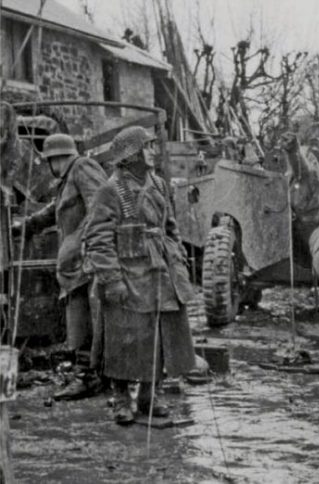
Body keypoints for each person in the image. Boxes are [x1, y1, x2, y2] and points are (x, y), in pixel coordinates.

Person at [83, 126, 196, 425]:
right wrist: (111, 278)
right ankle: (121, 398)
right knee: (124, 337)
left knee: (160, 334)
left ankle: (150, 394)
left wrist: (178, 257)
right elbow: (98, 238)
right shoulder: (111, 189)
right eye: (147, 147)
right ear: (130, 154)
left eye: (153, 146)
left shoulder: (159, 184)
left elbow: (171, 226)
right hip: (127, 273)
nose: (153, 152)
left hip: (161, 270)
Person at [16, 133, 108, 400]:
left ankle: (88, 377)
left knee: (86, 318)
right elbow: (55, 209)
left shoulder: (82, 167)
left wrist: (80, 243)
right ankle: (88, 373)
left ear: (56, 158)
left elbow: (100, 206)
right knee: (79, 318)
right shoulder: (67, 179)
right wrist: (27, 225)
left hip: (87, 259)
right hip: (77, 263)